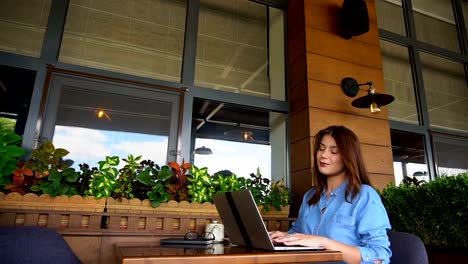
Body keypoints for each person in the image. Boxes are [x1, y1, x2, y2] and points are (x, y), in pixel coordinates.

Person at [270, 125, 391, 264]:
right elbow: (299, 233)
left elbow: (379, 256)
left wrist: (323, 242)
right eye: (321, 149)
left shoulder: (365, 196)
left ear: (348, 157)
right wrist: (283, 236)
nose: (324, 155)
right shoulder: (310, 196)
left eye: (334, 151)